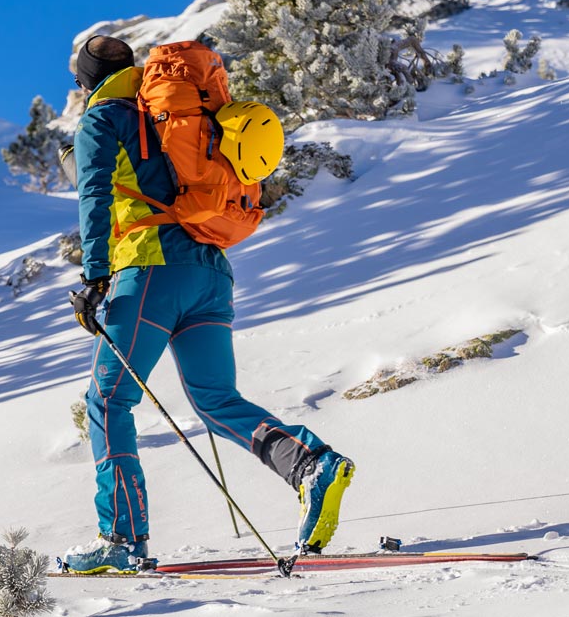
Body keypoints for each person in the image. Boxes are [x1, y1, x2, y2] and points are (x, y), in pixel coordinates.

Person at [61, 35, 354, 574]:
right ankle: (311, 464)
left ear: (84, 81)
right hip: (210, 271)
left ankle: (121, 540)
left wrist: (96, 277)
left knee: (108, 402)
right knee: (215, 398)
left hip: (149, 270)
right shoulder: (172, 111)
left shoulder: (102, 119)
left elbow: (94, 195)